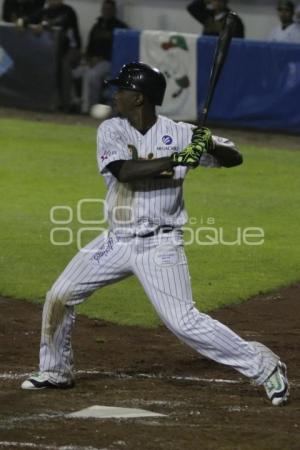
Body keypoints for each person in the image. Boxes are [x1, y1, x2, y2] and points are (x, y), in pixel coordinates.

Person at [21, 62, 289, 407]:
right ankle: (55, 371)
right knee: (59, 294)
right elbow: (123, 172)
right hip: (116, 241)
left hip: (159, 245)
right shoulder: (112, 130)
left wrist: (207, 145)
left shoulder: (180, 131)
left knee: (184, 322)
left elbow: (234, 157)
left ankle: (265, 367)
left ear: (139, 98)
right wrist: (177, 158)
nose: (115, 94)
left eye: (122, 89)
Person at [72, 0, 128, 114]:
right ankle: (75, 102)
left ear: (114, 11)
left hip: (108, 62)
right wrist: (88, 59)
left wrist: (100, 59)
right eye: (104, 9)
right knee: (74, 73)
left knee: (91, 75)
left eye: (109, 9)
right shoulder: (96, 26)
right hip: (92, 61)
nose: (106, 11)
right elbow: (89, 47)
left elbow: (119, 50)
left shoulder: (120, 28)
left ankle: (89, 107)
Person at [26, 0, 82, 111]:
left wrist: (43, 25)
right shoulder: (44, 11)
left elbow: (61, 22)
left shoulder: (68, 11)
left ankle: (66, 104)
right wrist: (24, 22)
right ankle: (43, 102)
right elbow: (30, 19)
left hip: (71, 50)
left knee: (64, 65)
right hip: (53, 51)